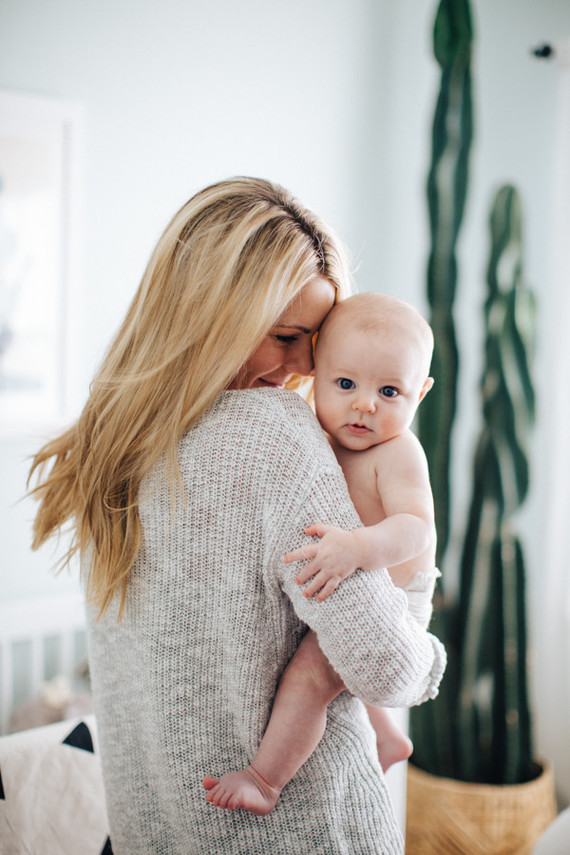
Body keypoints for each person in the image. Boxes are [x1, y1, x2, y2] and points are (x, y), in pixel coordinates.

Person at [28, 178, 446, 855]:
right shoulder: (274, 432)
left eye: (316, 338)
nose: (309, 364)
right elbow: (383, 667)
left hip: (154, 829)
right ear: (212, 316)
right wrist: (423, 647)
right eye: (288, 336)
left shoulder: (111, 440)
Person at [204, 292, 440, 817]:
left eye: (389, 391)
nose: (364, 404)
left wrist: (358, 548)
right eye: (346, 384)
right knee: (333, 664)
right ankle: (387, 738)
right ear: (317, 376)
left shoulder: (397, 451)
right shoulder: (313, 431)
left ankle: (265, 779)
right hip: (356, 574)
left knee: (310, 678)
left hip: (398, 597)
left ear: (419, 394)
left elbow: (416, 529)